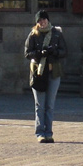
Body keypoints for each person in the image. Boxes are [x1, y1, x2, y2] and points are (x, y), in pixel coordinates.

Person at [24, 9, 66, 144]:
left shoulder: (57, 34)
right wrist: (38, 53)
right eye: (40, 21)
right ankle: (40, 133)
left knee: (50, 105)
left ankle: (49, 133)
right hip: (38, 73)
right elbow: (27, 53)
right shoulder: (33, 35)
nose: (42, 22)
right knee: (39, 105)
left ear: (48, 20)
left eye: (44, 20)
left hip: (53, 72)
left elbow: (64, 51)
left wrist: (54, 52)